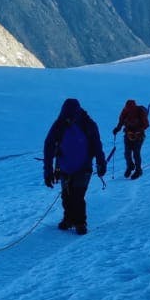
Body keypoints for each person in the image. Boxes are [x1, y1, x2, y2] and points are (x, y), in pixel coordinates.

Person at [43, 98, 106, 235]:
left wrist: (101, 162)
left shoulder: (88, 124)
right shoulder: (59, 125)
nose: (68, 118)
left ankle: (80, 222)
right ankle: (69, 219)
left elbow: (96, 145)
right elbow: (48, 146)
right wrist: (48, 171)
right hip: (64, 166)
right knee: (66, 195)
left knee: (77, 195)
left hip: (84, 166)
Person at [112, 100, 150, 179]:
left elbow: (146, 125)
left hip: (139, 136)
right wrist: (117, 129)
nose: (128, 110)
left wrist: (137, 131)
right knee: (127, 153)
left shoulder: (140, 112)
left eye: (130, 109)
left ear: (134, 107)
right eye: (127, 108)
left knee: (136, 153)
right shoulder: (125, 111)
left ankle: (138, 170)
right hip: (128, 135)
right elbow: (121, 121)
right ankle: (130, 166)